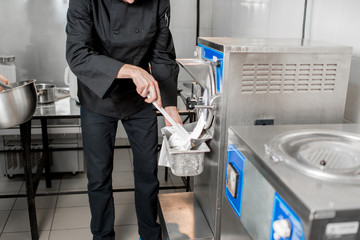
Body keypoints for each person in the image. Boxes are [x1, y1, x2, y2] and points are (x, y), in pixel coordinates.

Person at [65, 0, 180, 240]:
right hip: (97, 98)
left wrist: (170, 106)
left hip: (140, 100)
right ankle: (103, 235)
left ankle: (149, 234)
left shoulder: (158, 2)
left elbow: (162, 53)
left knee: (148, 173)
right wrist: (133, 70)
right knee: (98, 177)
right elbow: (78, 54)